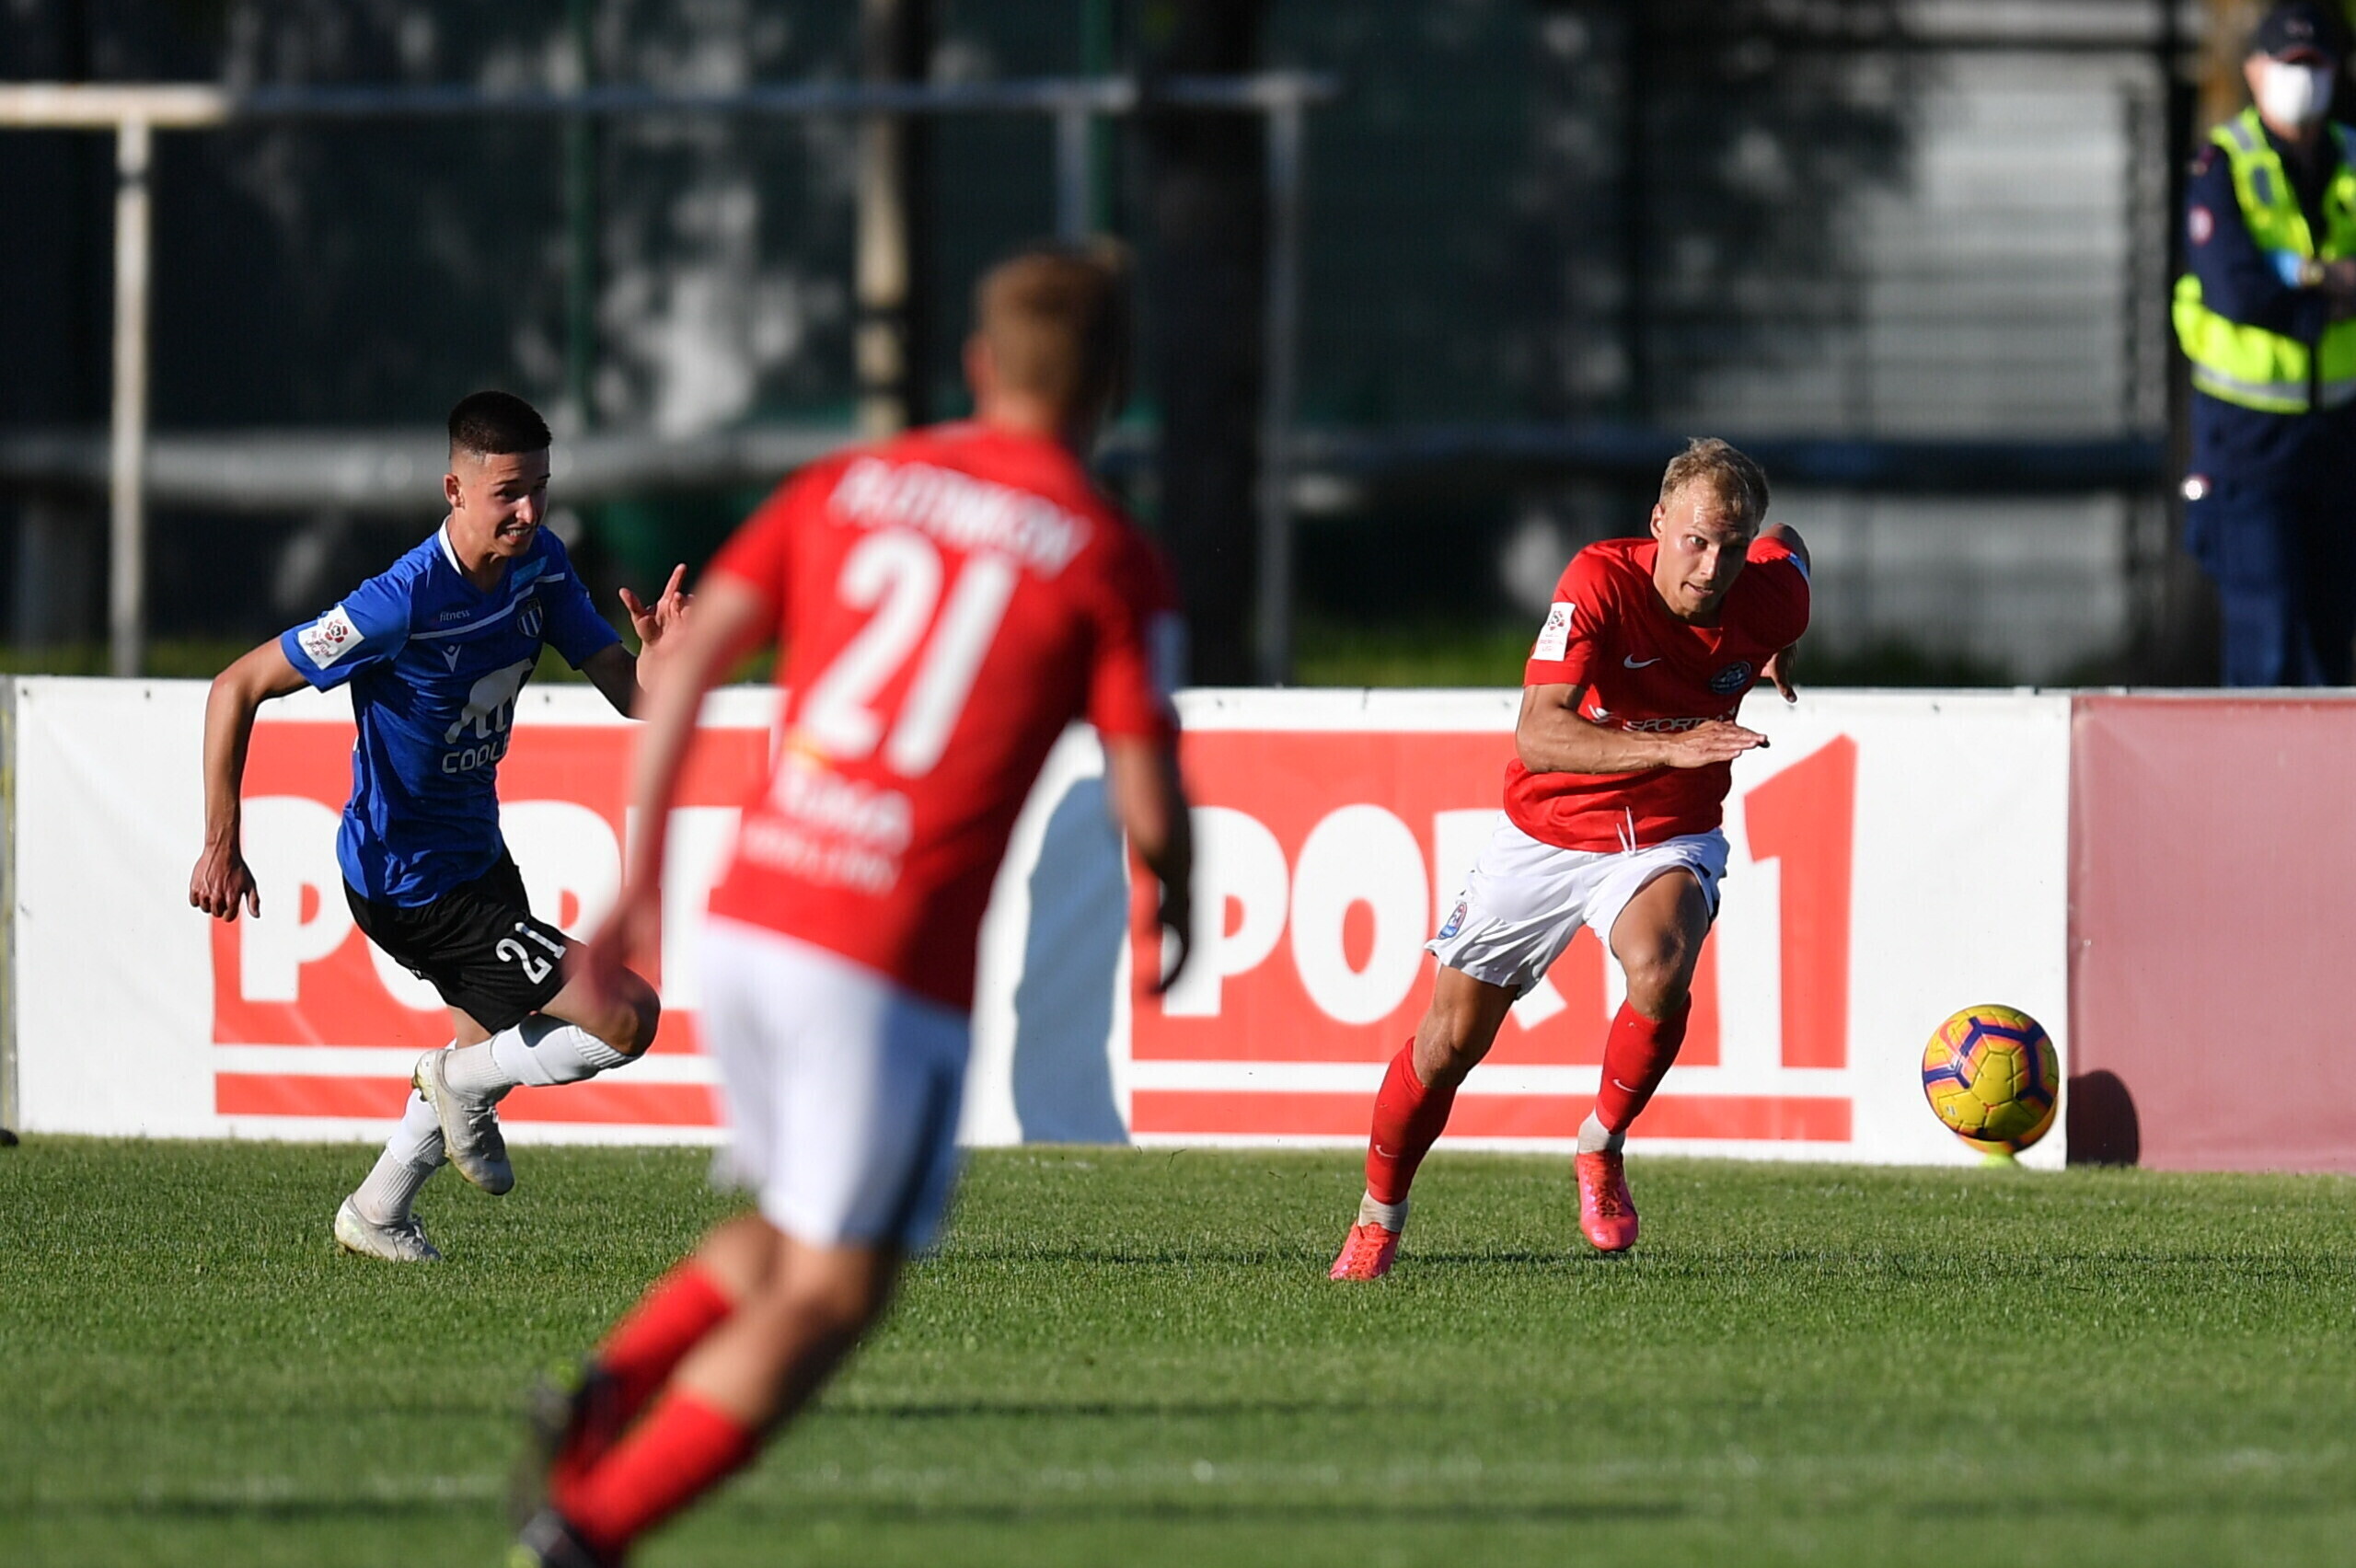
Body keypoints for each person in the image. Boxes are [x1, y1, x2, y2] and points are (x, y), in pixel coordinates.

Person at [508, 244, 1194, 1568]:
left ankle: (607, 1393)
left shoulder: (847, 484)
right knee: (838, 1290)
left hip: (756, 912)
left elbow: (688, 656)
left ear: (979, 367)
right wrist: (1177, 888)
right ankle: (586, 1536)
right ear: (1112, 385)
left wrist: (640, 879)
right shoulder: (1113, 557)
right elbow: (1148, 797)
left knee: (792, 1233)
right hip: (883, 962)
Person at [189, 390, 689, 1263]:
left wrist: (663, 666)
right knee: (626, 1015)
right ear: (453, 489)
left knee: (489, 1047)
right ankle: (455, 1084)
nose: (528, 511)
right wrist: (221, 843)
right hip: (408, 883)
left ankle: (377, 1211)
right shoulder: (399, 601)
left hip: (477, 856)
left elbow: (632, 694)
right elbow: (237, 686)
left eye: (539, 488)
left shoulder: (542, 566)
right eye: (507, 494)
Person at [1329, 438, 1808, 1281]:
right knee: (1447, 1044)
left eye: (1732, 547)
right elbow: (1538, 733)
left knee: (1661, 964)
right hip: (1547, 833)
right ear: (1657, 523)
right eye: (1696, 540)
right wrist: (1671, 747)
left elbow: (1791, 549)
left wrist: (1780, 645)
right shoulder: (1598, 582)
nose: (1712, 565)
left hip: (1666, 832)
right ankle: (1378, 1218)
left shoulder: (1772, 596)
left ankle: (1601, 1145)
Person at [2173, 0, 2356, 685]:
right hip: (2246, 440)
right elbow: (2236, 290)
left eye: (2314, 64)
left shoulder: (2350, 157)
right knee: (2267, 635)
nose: (2301, 79)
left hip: (2336, 435)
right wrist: (2329, 284)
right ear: (2253, 71)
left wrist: (2293, 275)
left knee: (2329, 644)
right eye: (2287, 64)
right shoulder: (2223, 163)